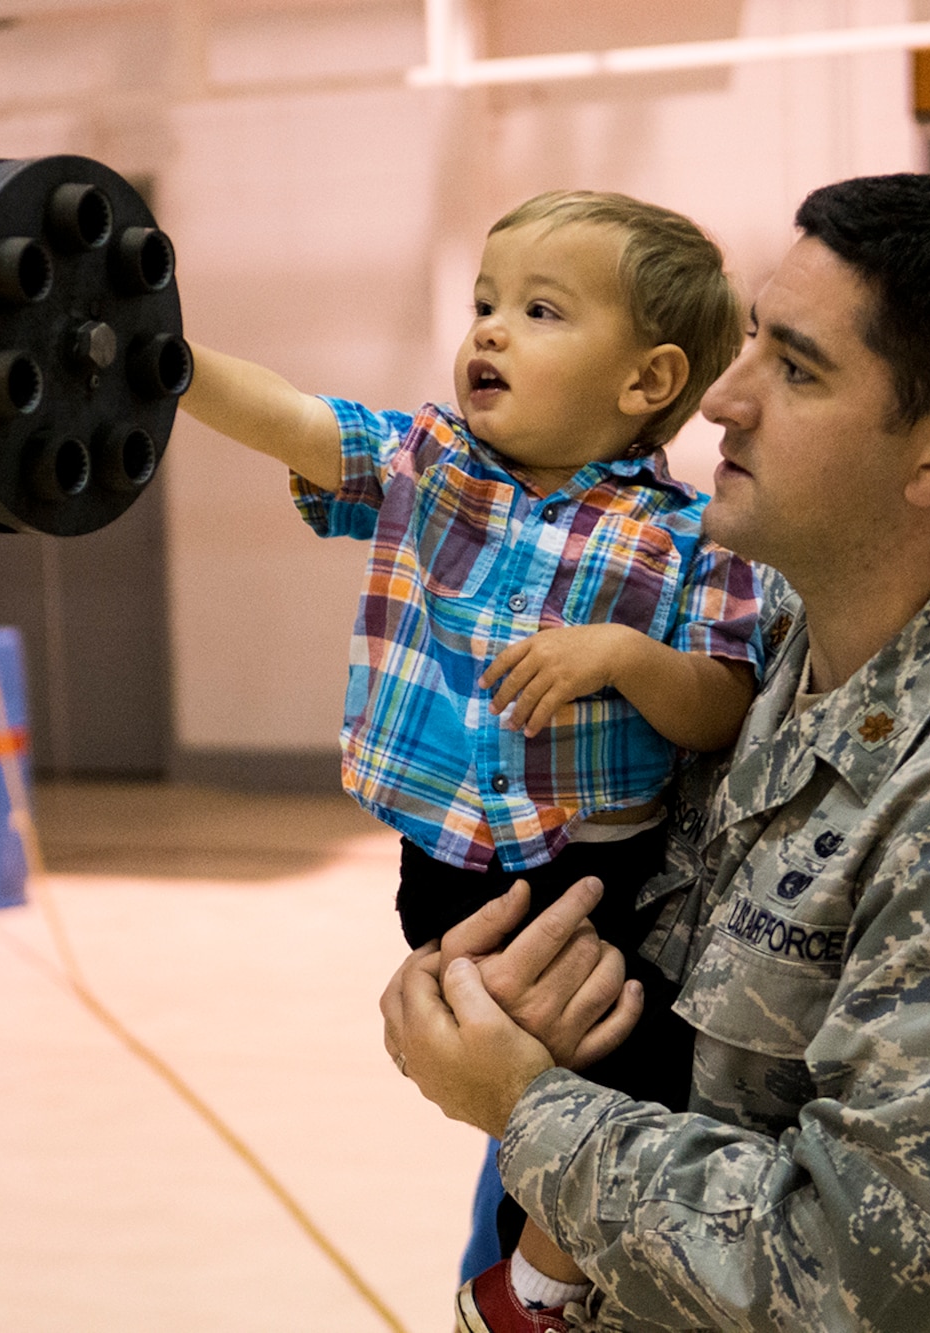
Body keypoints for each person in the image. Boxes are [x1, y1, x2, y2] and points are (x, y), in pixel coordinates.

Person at [383, 172, 930, 1332]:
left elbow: (864, 1281)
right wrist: (489, 985)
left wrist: (522, 1101)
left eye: (795, 367)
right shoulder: (759, 644)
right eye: (751, 337)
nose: (720, 398)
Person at [177, 190, 764, 1314]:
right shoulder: (431, 467)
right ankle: (534, 1285)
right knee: (531, 1059)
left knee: (625, 1073)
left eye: (539, 310)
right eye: (484, 302)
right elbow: (298, 421)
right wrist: (173, 361)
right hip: (450, 865)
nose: (487, 329)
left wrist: (625, 658)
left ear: (646, 381)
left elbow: (716, 705)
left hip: (604, 872)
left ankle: (531, 1281)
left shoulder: (688, 534)